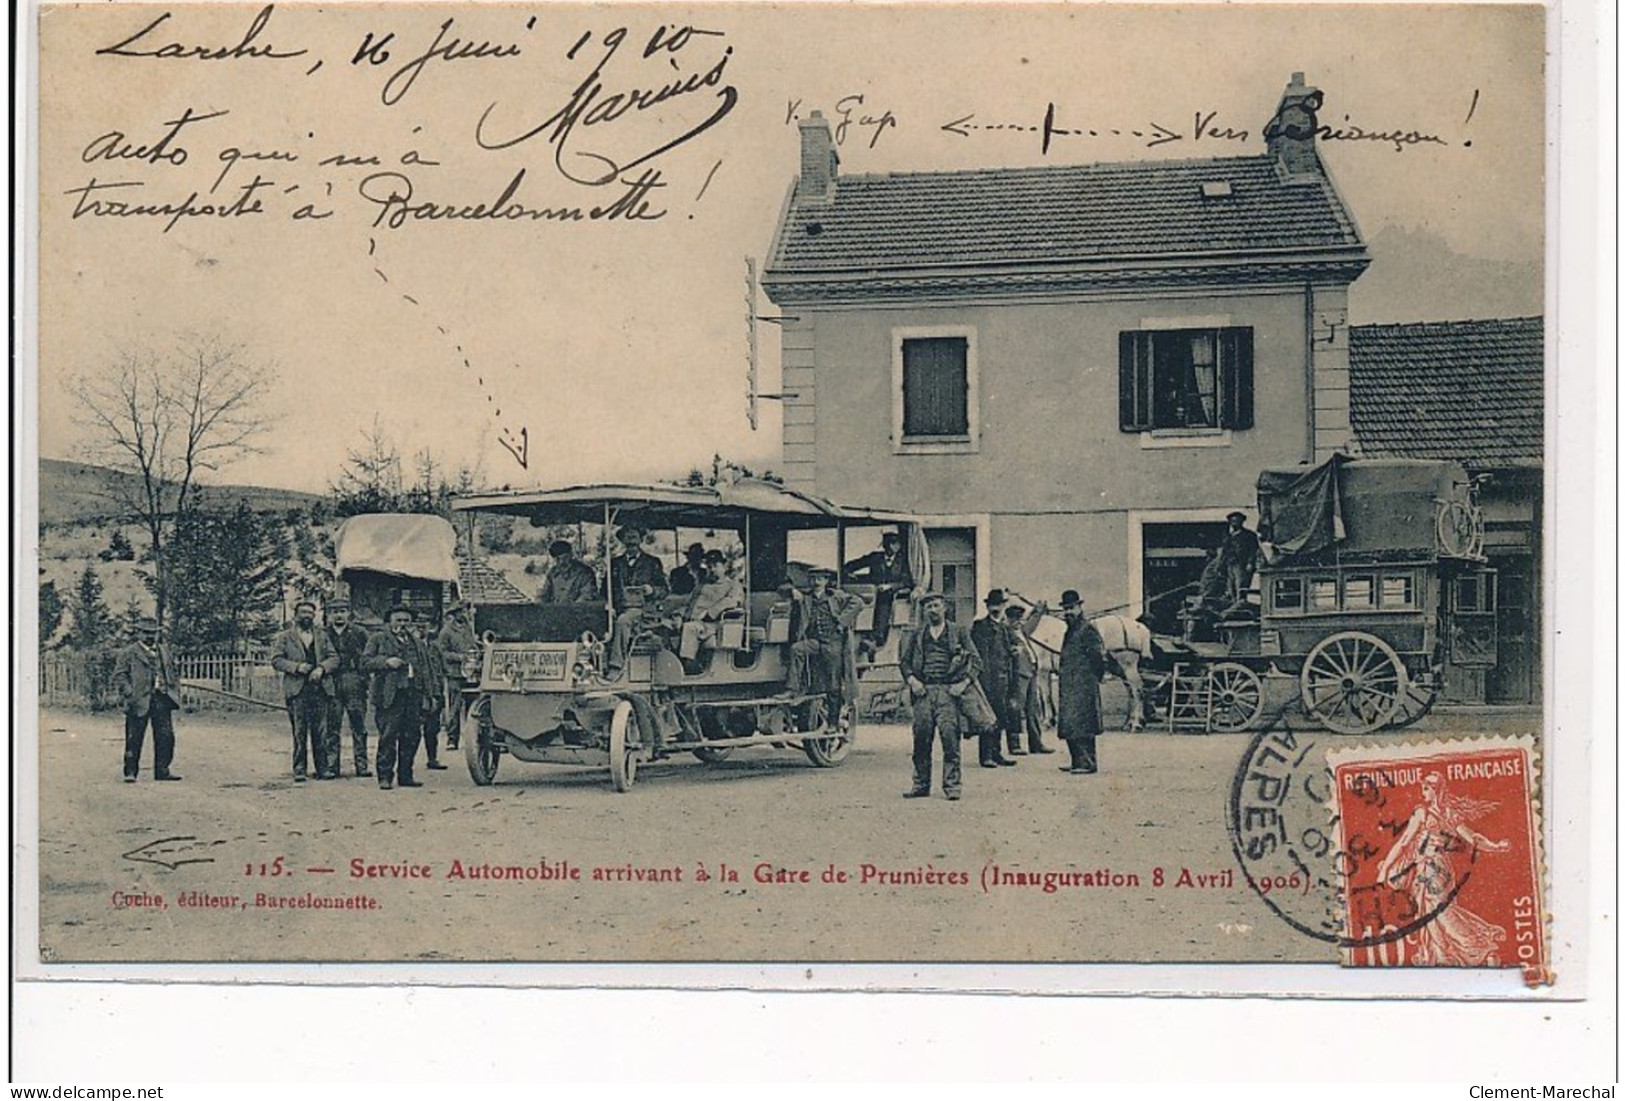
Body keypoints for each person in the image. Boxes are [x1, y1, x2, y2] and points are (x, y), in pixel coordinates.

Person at [1376, 772, 1512, 965]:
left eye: (1426, 788)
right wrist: (1385, 869)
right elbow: (1404, 842)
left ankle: (1479, 946)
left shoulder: (1445, 814)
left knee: (1441, 912)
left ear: (1436, 790)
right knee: (1430, 915)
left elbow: (1472, 838)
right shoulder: (1426, 813)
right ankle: (1444, 958)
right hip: (1427, 871)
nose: (1423, 793)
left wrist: (1495, 846)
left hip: (1437, 872)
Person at [898, 592, 981, 801]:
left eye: (936, 606)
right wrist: (912, 681)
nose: (932, 610)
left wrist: (962, 684)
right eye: (928, 607)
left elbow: (976, 661)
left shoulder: (959, 632)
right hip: (923, 692)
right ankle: (920, 785)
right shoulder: (917, 634)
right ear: (924, 611)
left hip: (948, 692)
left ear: (945, 608)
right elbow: (905, 663)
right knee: (921, 740)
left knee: (950, 739)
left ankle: (952, 786)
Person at [272, 600, 341, 781]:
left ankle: (323, 769)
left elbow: (334, 658)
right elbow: (276, 660)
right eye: (303, 612)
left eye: (310, 613)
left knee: (321, 732)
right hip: (297, 690)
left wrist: (322, 669)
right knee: (299, 732)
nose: (307, 616)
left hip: (320, 689)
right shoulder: (285, 637)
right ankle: (299, 770)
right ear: (296, 615)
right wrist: (296, 667)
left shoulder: (322, 635)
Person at [788, 567, 865, 722]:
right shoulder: (806, 597)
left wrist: (841, 623)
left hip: (833, 643)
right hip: (815, 642)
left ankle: (833, 722)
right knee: (797, 649)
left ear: (826, 581)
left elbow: (858, 602)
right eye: (813, 579)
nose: (816, 582)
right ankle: (792, 690)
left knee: (833, 685)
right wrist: (792, 591)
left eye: (819, 579)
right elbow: (783, 588)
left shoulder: (836, 596)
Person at [112, 616, 182, 782]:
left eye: (153, 633)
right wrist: (129, 692)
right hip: (139, 700)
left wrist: (172, 688)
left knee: (166, 736)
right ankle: (130, 772)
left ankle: (162, 770)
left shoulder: (164, 651)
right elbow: (119, 675)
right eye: (146, 633)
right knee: (134, 737)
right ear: (139, 633)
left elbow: (172, 672)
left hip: (162, 698)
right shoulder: (129, 653)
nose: (150, 636)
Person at [364, 606, 427, 790]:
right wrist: (386, 662)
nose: (402, 624)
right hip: (389, 695)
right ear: (390, 621)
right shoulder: (378, 639)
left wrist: (429, 694)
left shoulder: (417, 643)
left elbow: (426, 669)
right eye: (398, 620)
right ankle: (385, 776)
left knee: (412, 735)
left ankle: (406, 775)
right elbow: (365, 662)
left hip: (412, 693)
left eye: (406, 621)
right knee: (388, 736)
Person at [1045, 589, 1106, 775]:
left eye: (1071, 608)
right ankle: (1077, 761)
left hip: (1083, 684)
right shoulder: (1071, 629)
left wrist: (1093, 678)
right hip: (1070, 685)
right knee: (1071, 724)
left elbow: (1098, 657)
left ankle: (1087, 763)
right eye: (1065, 609)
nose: (1068, 612)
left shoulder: (1087, 629)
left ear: (1080, 607)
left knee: (1084, 724)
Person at [607, 526, 669, 673]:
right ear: (622, 541)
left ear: (641, 540)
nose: (631, 544)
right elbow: (605, 590)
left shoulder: (652, 563)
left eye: (634, 539)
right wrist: (609, 606)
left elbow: (665, 590)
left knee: (623, 621)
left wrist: (652, 590)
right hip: (619, 608)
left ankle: (616, 666)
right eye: (627, 540)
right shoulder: (615, 563)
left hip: (644, 612)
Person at [969, 589, 1019, 767]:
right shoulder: (980, 627)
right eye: (992, 605)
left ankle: (997, 753)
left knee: (1000, 717)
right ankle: (986, 756)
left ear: (1005, 606)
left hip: (1003, 681)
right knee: (987, 718)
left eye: (998, 604)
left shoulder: (1006, 629)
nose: (995, 608)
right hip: (987, 681)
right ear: (987, 606)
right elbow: (979, 657)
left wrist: (1015, 650)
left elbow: (1012, 650)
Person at [845, 530, 916, 653]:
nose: (893, 547)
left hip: (891, 593)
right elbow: (852, 565)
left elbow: (906, 582)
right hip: (874, 590)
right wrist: (849, 573)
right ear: (884, 545)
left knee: (884, 598)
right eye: (889, 544)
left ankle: (877, 638)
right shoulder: (875, 557)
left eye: (895, 543)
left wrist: (890, 586)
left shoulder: (903, 561)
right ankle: (867, 635)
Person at [325, 600, 372, 778]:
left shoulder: (360, 633)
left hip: (355, 682)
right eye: (335, 611)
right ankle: (331, 766)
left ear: (348, 613)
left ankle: (362, 765)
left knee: (358, 724)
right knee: (332, 725)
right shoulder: (323, 634)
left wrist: (364, 678)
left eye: (342, 611)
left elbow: (368, 657)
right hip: (332, 682)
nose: (339, 615)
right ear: (329, 614)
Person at [678, 550, 745, 670]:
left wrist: (709, 613)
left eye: (715, 565)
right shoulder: (702, 584)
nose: (712, 569)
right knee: (663, 626)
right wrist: (677, 615)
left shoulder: (733, 585)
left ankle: (689, 665)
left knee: (690, 628)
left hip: (711, 624)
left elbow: (732, 601)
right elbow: (689, 604)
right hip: (692, 621)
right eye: (709, 566)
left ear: (724, 566)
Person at [1005, 604, 1056, 755]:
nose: (1019, 623)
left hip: (1031, 672)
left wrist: (1038, 611)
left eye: (1020, 620)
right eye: (1016, 620)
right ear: (1009, 619)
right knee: (1015, 710)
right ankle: (1014, 745)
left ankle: (1036, 743)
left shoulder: (1021, 631)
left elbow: (1032, 624)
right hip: (1017, 675)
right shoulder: (1005, 633)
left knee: (1033, 710)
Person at [435, 603, 476, 751]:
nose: (464, 614)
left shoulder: (468, 627)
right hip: (454, 673)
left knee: (473, 706)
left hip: (470, 673)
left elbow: (472, 645)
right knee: (454, 707)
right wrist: (460, 657)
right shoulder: (446, 631)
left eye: (465, 611)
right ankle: (452, 739)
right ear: (455, 613)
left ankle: (473, 738)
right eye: (461, 611)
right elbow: (442, 652)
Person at [414, 611, 448, 770]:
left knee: (432, 728)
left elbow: (442, 669)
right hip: (416, 691)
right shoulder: (410, 645)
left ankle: (432, 758)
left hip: (434, 691)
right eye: (418, 624)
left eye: (425, 624)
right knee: (412, 729)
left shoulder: (435, 647)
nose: (421, 627)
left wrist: (439, 692)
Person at [1218, 511, 1261, 616]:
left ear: (1242, 521)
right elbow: (1224, 552)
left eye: (1237, 521)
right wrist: (1220, 566)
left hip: (1242, 564)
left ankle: (1239, 604)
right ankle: (1234, 606)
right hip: (1230, 564)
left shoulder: (1249, 535)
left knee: (1240, 586)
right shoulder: (1228, 537)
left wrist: (1250, 563)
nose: (1234, 523)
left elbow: (1253, 550)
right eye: (1232, 521)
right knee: (1231, 586)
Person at [537, 540, 599, 604]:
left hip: (578, 611)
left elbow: (587, 596)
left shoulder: (584, 573)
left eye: (565, 558)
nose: (562, 562)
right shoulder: (552, 573)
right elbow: (544, 594)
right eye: (558, 559)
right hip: (555, 611)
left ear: (571, 555)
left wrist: (570, 608)